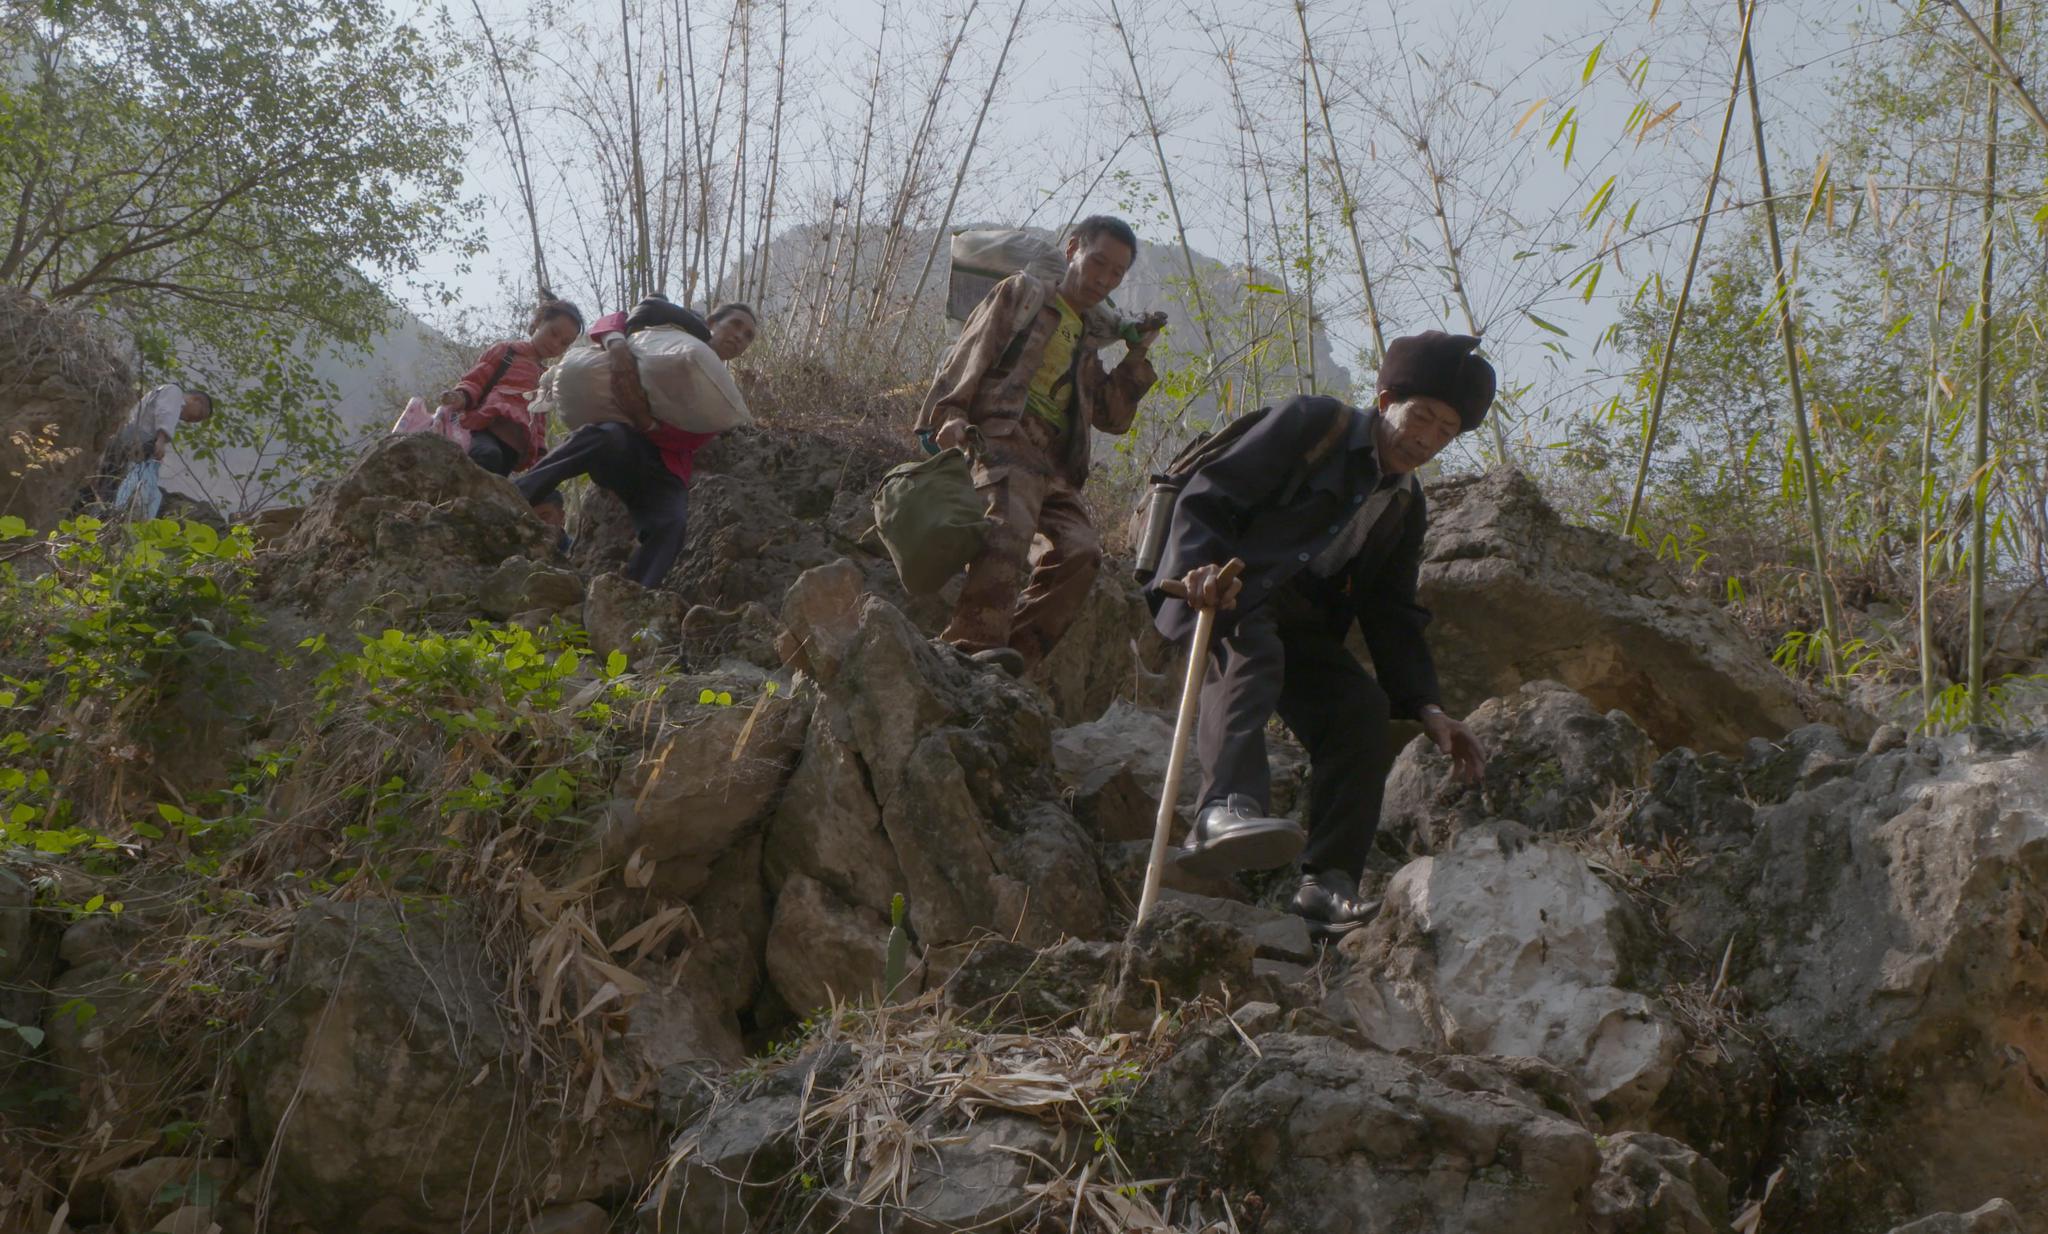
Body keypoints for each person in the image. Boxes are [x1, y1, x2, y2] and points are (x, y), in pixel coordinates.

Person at [1147, 331, 1496, 938]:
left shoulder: (1405, 505)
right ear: (1385, 398)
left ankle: (1328, 882)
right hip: (1226, 585)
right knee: (1250, 651)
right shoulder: (1314, 425)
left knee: (1359, 710)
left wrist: (1427, 706)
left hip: (1302, 621)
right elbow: (1211, 495)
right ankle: (1222, 810)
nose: (1428, 439)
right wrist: (1200, 569)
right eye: (1422, 417)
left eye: (1447, 431)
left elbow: (1392, 611)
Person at [912, 215, 1167, 676]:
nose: (1104, 279)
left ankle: (1011, 660)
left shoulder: (1090, 336)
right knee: (1008, 522)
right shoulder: (1024, 294)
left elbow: (1112, 418)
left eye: (1116, 274)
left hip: (1058, 464)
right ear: (1073, 250)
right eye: (1098, 263)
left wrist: (1136, 355)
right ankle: (970, 645)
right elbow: (972, 350)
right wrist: (948, 413)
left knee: (1081, 553)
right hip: (1004, 436)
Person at [514, 295, 759, 589]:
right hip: (625, 445)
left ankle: (632, 596)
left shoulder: (720, 397)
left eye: (748, 336)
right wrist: (618, 347)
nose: (739, 337)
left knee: (672, 523)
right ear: (711, 323)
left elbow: (692, 440)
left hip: (667, 468)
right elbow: (619, 318)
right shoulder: (669, 335)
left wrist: (645, 418)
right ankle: (516, 496)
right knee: (605, 436)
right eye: (735, 325)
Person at [434, 293, 585, 528]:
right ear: (536, 324)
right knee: (487, 458)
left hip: (515, 452)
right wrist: (460, 397)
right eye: (553, 333)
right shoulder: (507, 352)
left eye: (564, 342)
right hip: (484, 431)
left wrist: (541, 457)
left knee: (531, 493)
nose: (555, 344)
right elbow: (476, 380)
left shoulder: (547, 380)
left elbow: (539, 422)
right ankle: (455, 513)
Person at [86, 383, 212, 508]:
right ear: (197, 400)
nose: (192, 421)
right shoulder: (174, 392)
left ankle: (95, 503)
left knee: (109, 480)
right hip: (133, 437)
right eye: (199, 416)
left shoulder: (164, 393)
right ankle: (100, 506)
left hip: (127, 438)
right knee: (111, 480)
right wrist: (161, 440)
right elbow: (165, 412)